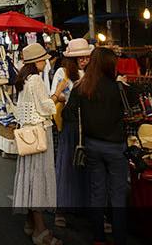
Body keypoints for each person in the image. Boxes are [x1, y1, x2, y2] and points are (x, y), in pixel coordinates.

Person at [64, 47, 127, 245]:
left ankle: (98, 237)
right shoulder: (120, 88)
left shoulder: (82, 87)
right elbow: (134, 111)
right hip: (116, 147)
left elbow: (68, 114)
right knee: (117, 195)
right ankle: (119, 238)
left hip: (92, 145)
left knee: (96, 193)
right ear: (110, 65)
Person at [12, 43, 58, 245]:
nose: (45, 62)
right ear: (37, 61)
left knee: (30, 177)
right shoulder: (37, 80)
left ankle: (30, 223)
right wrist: (58, 95)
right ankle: (41, 231)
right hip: (39, 133)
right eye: (43, 59)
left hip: (27, 135)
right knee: (38, 178)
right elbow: (46, 107)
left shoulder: (23, 80)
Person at [51, 38, 93, 228]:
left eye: (86, 57)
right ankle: (62, 209)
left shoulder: (93, 73)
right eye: (80, 57)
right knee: (67, 164)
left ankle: (85, 205)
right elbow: (55, 95)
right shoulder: (63, 72)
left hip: (88, 124)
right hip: (70, 124)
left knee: (87, 167)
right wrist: (69, 95)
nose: (84, 60)